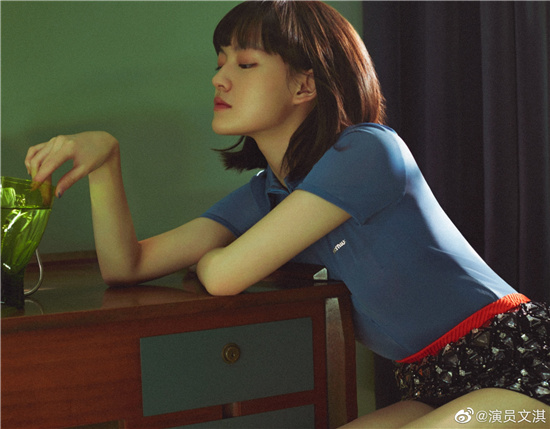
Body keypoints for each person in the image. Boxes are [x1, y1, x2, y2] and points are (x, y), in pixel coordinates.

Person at [25, 1, 549, 427]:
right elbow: (127, 266)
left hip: (524, 370)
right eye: (220, 63)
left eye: (244, 64)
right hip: (435, 385)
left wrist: (213, 260)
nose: (219, 79)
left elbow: (224, 276)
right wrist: (105, 163)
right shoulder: (267, 194)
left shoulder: (367, 151)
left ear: (304, 85)